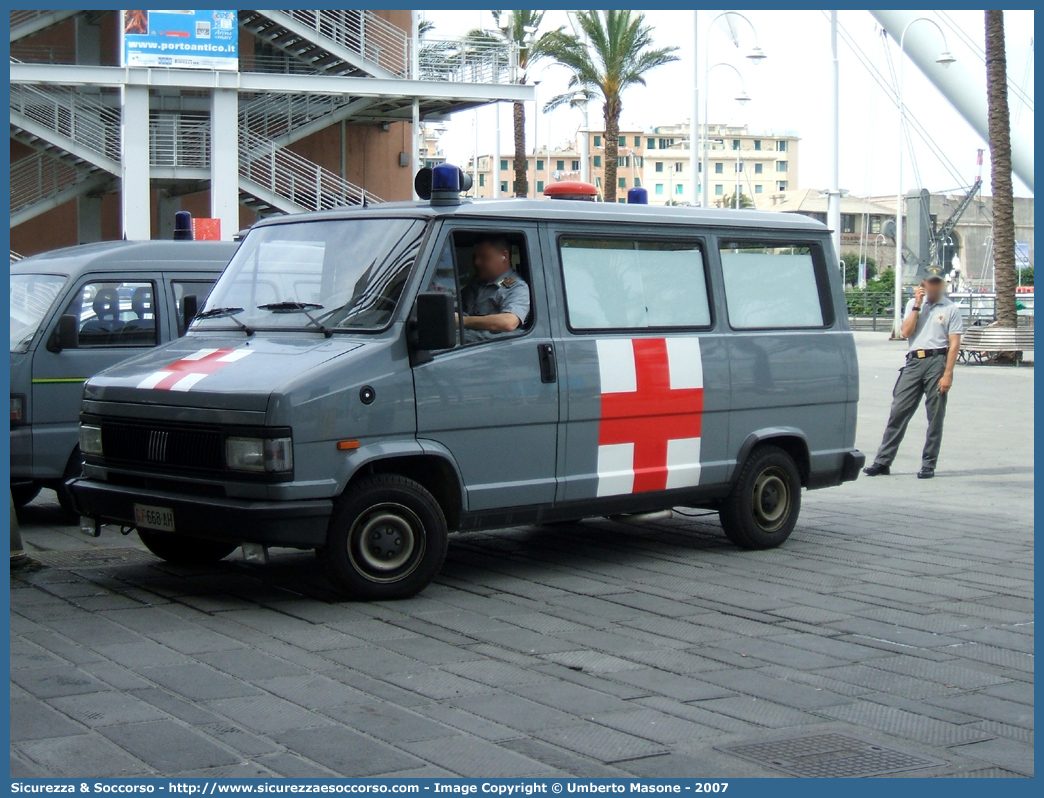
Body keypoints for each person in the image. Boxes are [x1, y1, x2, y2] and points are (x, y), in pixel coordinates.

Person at [864, 264, 963, 480]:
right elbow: (905, 332)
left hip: (937, 361)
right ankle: (883, 461)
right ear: (923, 284)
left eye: (937, 283)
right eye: (929, 282)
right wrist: (917, 306)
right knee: (898, 411)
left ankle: (928, 464)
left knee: (935, 416)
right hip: (913, 362)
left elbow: (954, 344)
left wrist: (948, 374)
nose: (933, 286)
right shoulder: (912, 304)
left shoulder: (950, 309)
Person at [458, 236, 530, 342]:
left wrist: (462, 321)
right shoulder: (476, 284)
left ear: (504, 256)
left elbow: (509, 322)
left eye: (484, 257)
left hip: (491, 350)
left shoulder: (516, 287)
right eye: (475, 257)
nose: (477, 262)